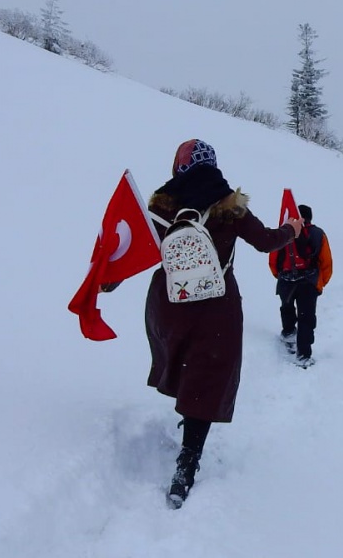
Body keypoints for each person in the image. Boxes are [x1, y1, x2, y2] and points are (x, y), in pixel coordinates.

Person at [107, 138, 303, 509]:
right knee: (209, 375)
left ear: (178, 166)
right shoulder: (231, 207)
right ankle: (188, 460)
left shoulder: (161, 205)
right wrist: (292, 229)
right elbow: (265, 242)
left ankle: (186, 424)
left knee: (181, 359)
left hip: (169, 302)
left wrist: (108, 279)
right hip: (216, 305)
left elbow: (132, 249)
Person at [268, 204, 333, 367]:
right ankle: (303, 355)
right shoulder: (318, 233)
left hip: (286, 280)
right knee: (306, 318)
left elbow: (273, 259)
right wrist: (320, 282)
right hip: (309, 282)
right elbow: (326, 262)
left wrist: (280, 276)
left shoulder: (284, 232)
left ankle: (289, 335)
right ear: (310, 217)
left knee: (287, 308)